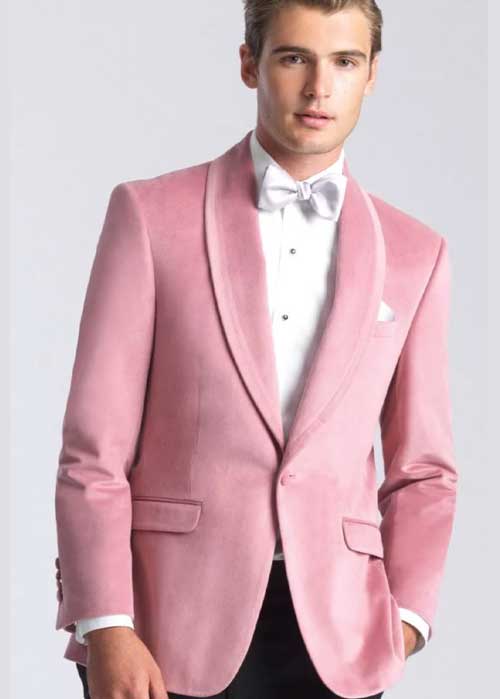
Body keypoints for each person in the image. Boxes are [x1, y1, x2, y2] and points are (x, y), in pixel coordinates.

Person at [54, 1, 459, 698]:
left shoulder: (416, 254)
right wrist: (107, 625)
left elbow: (424, 468)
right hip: (167, 625)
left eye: (344, 62)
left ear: (371, 75)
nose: (319, 88)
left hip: (339, 638)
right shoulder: (150, 217)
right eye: (294, 58)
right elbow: (94, 448)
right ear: (250, 64)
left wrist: (407, 620)